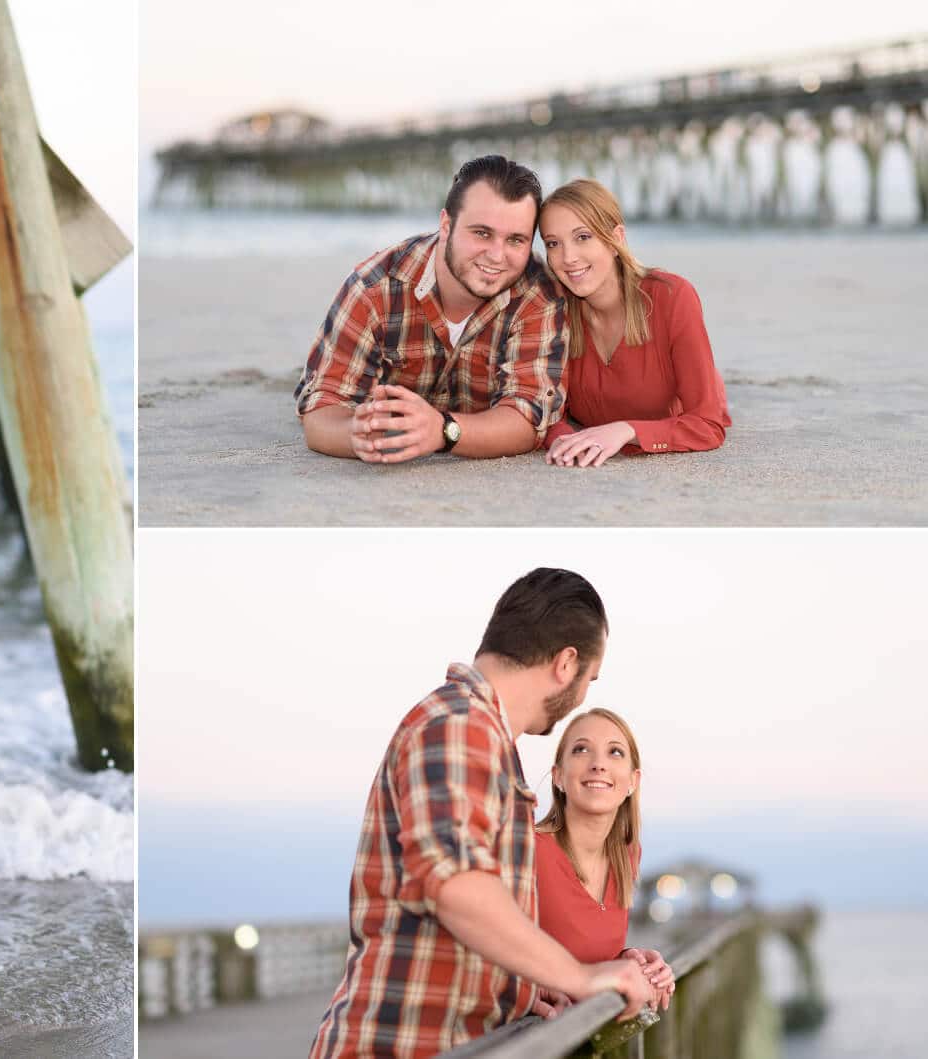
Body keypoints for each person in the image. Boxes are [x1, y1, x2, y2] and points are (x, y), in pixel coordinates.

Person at [311, 569, 654, 1058]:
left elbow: (457, 921)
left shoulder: (487, 739)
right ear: (566, 663)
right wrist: (578, 976)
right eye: (588, 680)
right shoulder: (459, 725)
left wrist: (520, 987)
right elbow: (456, 886)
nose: (582, 697)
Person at [295, 154, 568, 463]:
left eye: (516, 240)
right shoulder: (376, 287)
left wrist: (443, 430)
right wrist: (358, 436)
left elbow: (528, 419)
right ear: (446, 225)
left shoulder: (538, 294)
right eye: (482, 233)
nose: (496, 255)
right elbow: (322, 413)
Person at [537, 179, 730, 467]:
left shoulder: (671, 297)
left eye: (583, 237)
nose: (568, 257)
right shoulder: (553, 309)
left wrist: (625, 431)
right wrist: (563, 440)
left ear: (616, 238)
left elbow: (707, 425)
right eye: (553, 243)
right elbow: (545, 411)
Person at [532, 708, 676, 1018]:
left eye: (615, 752)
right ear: (558, 775)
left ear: (632, 781)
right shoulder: (527, 849)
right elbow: (477, 945)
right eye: (582, 749)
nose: (598, 764)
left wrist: (632, 962)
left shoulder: (627, 856)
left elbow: (585, 952)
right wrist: (526, 989)